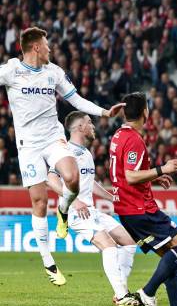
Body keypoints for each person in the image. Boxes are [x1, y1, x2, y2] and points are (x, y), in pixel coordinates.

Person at [0, 27, 124, 285]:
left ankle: (64, 211)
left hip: (52, 137)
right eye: (46, 45)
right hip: (28, 146)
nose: (50, 49)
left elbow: (76, 100)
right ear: (35, 47)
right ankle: (49, 263)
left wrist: (105, 113)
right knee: (39, 203)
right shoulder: (12, 70)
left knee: (72, 176)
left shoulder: (53, 72)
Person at [110, 92, 177, 306]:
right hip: (139, 208)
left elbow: (124, 173)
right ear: (145, 112)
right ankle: (148, 292)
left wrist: (152, 179)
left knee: (171, 257)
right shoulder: (133, 139)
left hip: (126, 209)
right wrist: (163, 169)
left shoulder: (118, 135)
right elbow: (131, 176)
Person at [46, 111, 139, 306]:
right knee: (109, 245)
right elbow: (51, 179)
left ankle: (121, 290)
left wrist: (112, 196)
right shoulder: (64, 151)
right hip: (75, 211)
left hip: (92, 210)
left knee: (129, 242)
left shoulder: (87, 153)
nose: (93, 126)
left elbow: (90, 183)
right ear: (79, 127)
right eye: (89, 123)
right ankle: (122, 295)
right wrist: (73, 199)